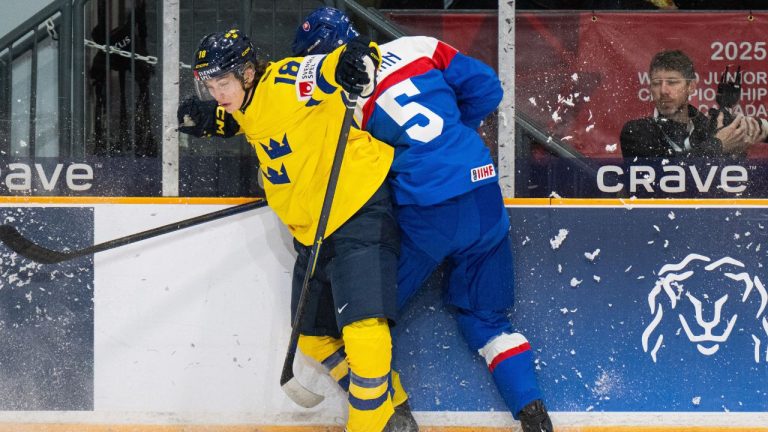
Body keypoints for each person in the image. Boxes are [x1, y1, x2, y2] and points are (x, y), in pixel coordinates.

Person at [291, 7, 553, 432]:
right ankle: (533, 412)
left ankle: (393, 413)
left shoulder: (341, 103)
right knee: (488, 320)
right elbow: (488, 88)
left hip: (429, 214)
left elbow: (357, 173)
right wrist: (453, 135)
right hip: (484, 193)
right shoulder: (419, 47)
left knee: (357, 315)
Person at [177, 28, 417, 432]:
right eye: (210, 85)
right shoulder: (245, 103)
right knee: (313, 338)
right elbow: (257, 120)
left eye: (223, 83)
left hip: (356, 209)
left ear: (248, 73)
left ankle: (369, 423)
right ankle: (393, 407)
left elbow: (332, 66)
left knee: (362, 326)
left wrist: (353, 60)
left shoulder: (289, 81)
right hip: (313, 231)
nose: (217, 92)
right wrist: (216, 120)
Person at [620, 49, 768, 159]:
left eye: (672, 82)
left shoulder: (709, 127)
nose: (663, 90)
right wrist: (719, 145)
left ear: (691, 86)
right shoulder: (636, 131)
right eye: (656, 83)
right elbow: (664, 174)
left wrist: (736, 149)